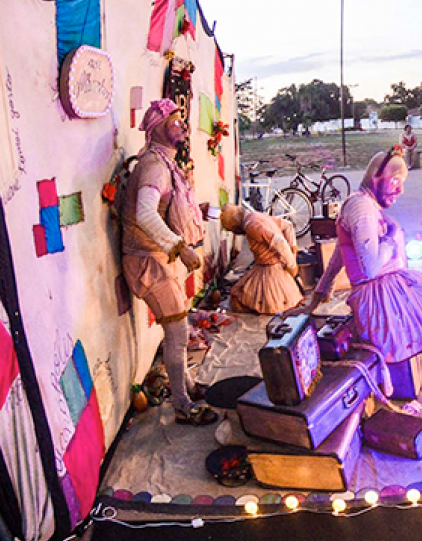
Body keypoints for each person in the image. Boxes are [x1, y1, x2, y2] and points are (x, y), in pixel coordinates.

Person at [294, 148, 422, 415]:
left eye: (402, 183)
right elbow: (370, 267)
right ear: (376, 177)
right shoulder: (362, 208)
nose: (400, 190)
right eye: (395, 181)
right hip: (381, 300)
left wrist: (321, 291)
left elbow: (340, 253)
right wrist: (392, 238)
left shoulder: (357, 202)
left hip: (387, 290)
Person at [121, 99, 215, 425]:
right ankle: (182, 404)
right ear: (158, 126)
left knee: (178, 328)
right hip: (146, 261)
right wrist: (180, 248)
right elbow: (144, 213)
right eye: (177, 120)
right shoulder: (155, 167)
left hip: (156, 258)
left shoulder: (163, 162)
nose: (184, 126)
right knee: (177, 330)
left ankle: (186, 386)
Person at [221, 204, 302, 315]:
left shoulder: (251, 226)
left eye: (233, 230)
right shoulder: (256, 215)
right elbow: (288, 226)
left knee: (239, 301)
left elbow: (279, 242)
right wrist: (293, 251)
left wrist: (292, 264)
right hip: (273, 268)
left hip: (270, 271)